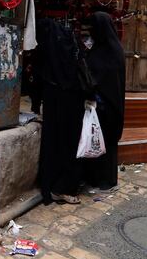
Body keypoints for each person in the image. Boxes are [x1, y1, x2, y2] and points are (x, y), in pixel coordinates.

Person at [35, 18, 87, 204]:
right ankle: (64, 188)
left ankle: (50, 186)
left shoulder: (49, 62)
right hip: (72, 104)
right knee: (68, 145)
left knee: (52, 144)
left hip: (53, 100)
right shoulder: (73, 51)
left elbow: (38, 78)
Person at [83, 11, 126, 191]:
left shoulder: (105, 52)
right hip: (108, 106)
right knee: (102, 144)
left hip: (105, 107)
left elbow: (98, 77)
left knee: (103, 143)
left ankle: (101, 179)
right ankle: (102, 178)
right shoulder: (113, 48)